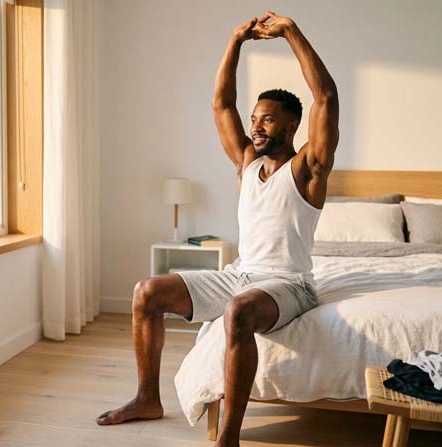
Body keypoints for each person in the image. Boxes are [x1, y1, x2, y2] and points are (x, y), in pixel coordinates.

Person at [96, 11, 339, 447]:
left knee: (238, 311)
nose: (256, 126)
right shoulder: (247, 163)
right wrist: (235, 39)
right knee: (145, 293)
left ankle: (228, 436)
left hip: (290, 284)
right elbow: (220, 105)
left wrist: (290, 32)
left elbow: (325, 97)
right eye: (255, 119)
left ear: (290, 126)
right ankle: (147, 398)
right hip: (240, 274)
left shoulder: (308, 168)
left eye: (267, 120)